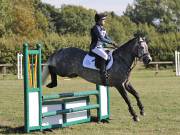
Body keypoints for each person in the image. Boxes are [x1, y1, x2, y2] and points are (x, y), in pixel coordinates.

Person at [89, 13, 117, 85]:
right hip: (94, 47)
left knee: (110, 54)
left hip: (101, 47)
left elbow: (107, 37)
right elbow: (101, 38)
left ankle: (107, 70)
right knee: (105, 56)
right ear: (98, 20)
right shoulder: (95, 28)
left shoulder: (103, 28)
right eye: (103, 19)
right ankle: (103, 74)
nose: (104, 21)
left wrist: (113, 42)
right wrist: (111, 43)